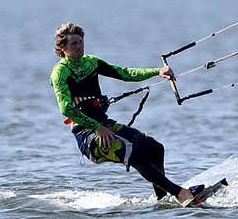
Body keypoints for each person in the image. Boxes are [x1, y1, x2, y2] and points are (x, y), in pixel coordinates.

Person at [49, 22, 195, 204]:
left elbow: (125, 73)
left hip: (105, 124)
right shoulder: (60, 72)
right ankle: (180, 193)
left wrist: (157, 72)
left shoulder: (91, 62)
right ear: (62, 47)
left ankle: (163, 200)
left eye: (81, 42)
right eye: (74, 44)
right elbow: (65, 108)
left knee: (154, 148)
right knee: (134, 153)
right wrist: (96, 127)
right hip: (88, 133)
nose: (79, 47)